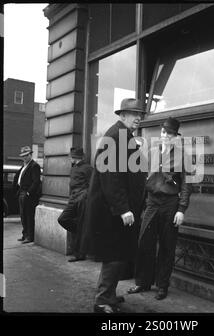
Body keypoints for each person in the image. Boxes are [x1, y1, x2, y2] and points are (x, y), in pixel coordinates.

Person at [83, 98, 146, 314]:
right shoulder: (116, 136)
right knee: (114, 256)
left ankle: (108, 295)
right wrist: (123, 208)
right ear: (122, 115)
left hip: (115, 210)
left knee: (116, 255)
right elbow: (111, 177)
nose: (138, 118)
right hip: (113, 212)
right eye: (133, 113)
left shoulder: (123, 135)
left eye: (140, 114)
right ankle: (102, 302)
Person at [127, 117, 192, 300]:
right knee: (144, 242)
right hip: (152, 202)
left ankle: (162, 285)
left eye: (170, 133)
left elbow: (188, 184)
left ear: (175, 136)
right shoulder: (151, 152)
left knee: (167, 246)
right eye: (163, 132)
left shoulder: (183, 155)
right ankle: (143, 282)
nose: (165, 136)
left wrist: (181, 209)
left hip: (170, 204)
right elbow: (140, 177)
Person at [57, 147, 93, 262]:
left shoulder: (88, 168)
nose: (70, 158)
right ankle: (80, 229)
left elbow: (92, 186)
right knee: (63, 219)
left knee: (80, 225)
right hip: (73, 199)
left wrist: (84, 196)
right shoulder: (73, 168)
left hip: (82, 200)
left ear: (75, 157)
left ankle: (79, 254)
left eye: (71, 156)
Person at [13, 146, 41, 244]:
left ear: (30, 155)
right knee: (22, 215)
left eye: (26, 155)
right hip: (21, 192)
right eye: (23, 156)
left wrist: (29, 192)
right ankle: (25, 235)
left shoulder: (34, 166)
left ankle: (30, 237)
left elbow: (36, 181)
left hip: (28, 194)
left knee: (29, 216)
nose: (24, 157)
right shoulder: (24, 165)